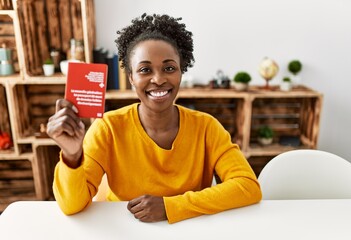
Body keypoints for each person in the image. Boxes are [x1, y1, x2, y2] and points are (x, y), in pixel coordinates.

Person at [47, 13, 262, 224]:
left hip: (187, 229)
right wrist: (72, 155)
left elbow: (247, 186)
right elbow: (71, 206)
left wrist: (171, 207)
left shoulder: (206, 127)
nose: (158, 79)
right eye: (145, 70)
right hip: (122, 230)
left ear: (181, 72)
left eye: (169, 68)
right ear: (131, 77)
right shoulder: (108, 128)